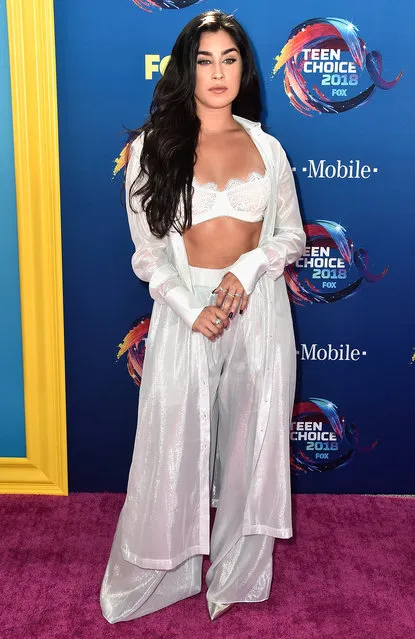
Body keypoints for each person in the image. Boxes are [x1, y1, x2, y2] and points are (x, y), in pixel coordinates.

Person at [100, 9, 306, 623]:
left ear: (245, 69)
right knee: (171, 445)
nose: (218, 72)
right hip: (187, 313)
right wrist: (193, 309)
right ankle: (160, 575)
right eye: (205, 59)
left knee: (254, 444)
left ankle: (239, 576)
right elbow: (148, 254)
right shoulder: (150, 149)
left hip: (259, 312)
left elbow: (290, 237)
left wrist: (246, 274)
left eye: (230, 58)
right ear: (186, 69)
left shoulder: (268, 147)